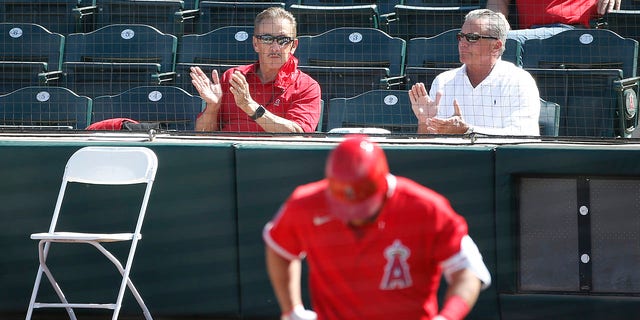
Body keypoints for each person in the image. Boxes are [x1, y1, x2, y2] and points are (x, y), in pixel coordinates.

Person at [263, 135, 492, 320]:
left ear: (383, 187)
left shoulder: (426, 207)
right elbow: (279, 247)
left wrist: (448, 317)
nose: (354, 218)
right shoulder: (306, 203)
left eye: (362, 209)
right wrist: (291, 310)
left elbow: (468, 270)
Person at [409, 9, 540, 136]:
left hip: (501, 158)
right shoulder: (443, 81)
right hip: (450, 158)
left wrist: (467, 131)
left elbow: (524, 135)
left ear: (496, 46)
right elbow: (427, 145)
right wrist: (424, 123)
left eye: (472, 38)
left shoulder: (519, 80)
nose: (462, 44)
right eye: (461, 37)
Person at [189, 7, 322, 133]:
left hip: (275, 156)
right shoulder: (233, 77)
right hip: (228, 154)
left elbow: (299, 135)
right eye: (267, 39)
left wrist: (249, 105)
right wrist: (212, 107)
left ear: (294, 45)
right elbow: (202, 134)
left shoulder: (307, 86)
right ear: (255, 44)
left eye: (283, 40)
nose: (275, 47)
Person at [486, 0, 622, 43]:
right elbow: (497, 2)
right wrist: (497, 19)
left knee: (510, 40)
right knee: (490, 39)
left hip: (575, 33)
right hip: (530, 36)